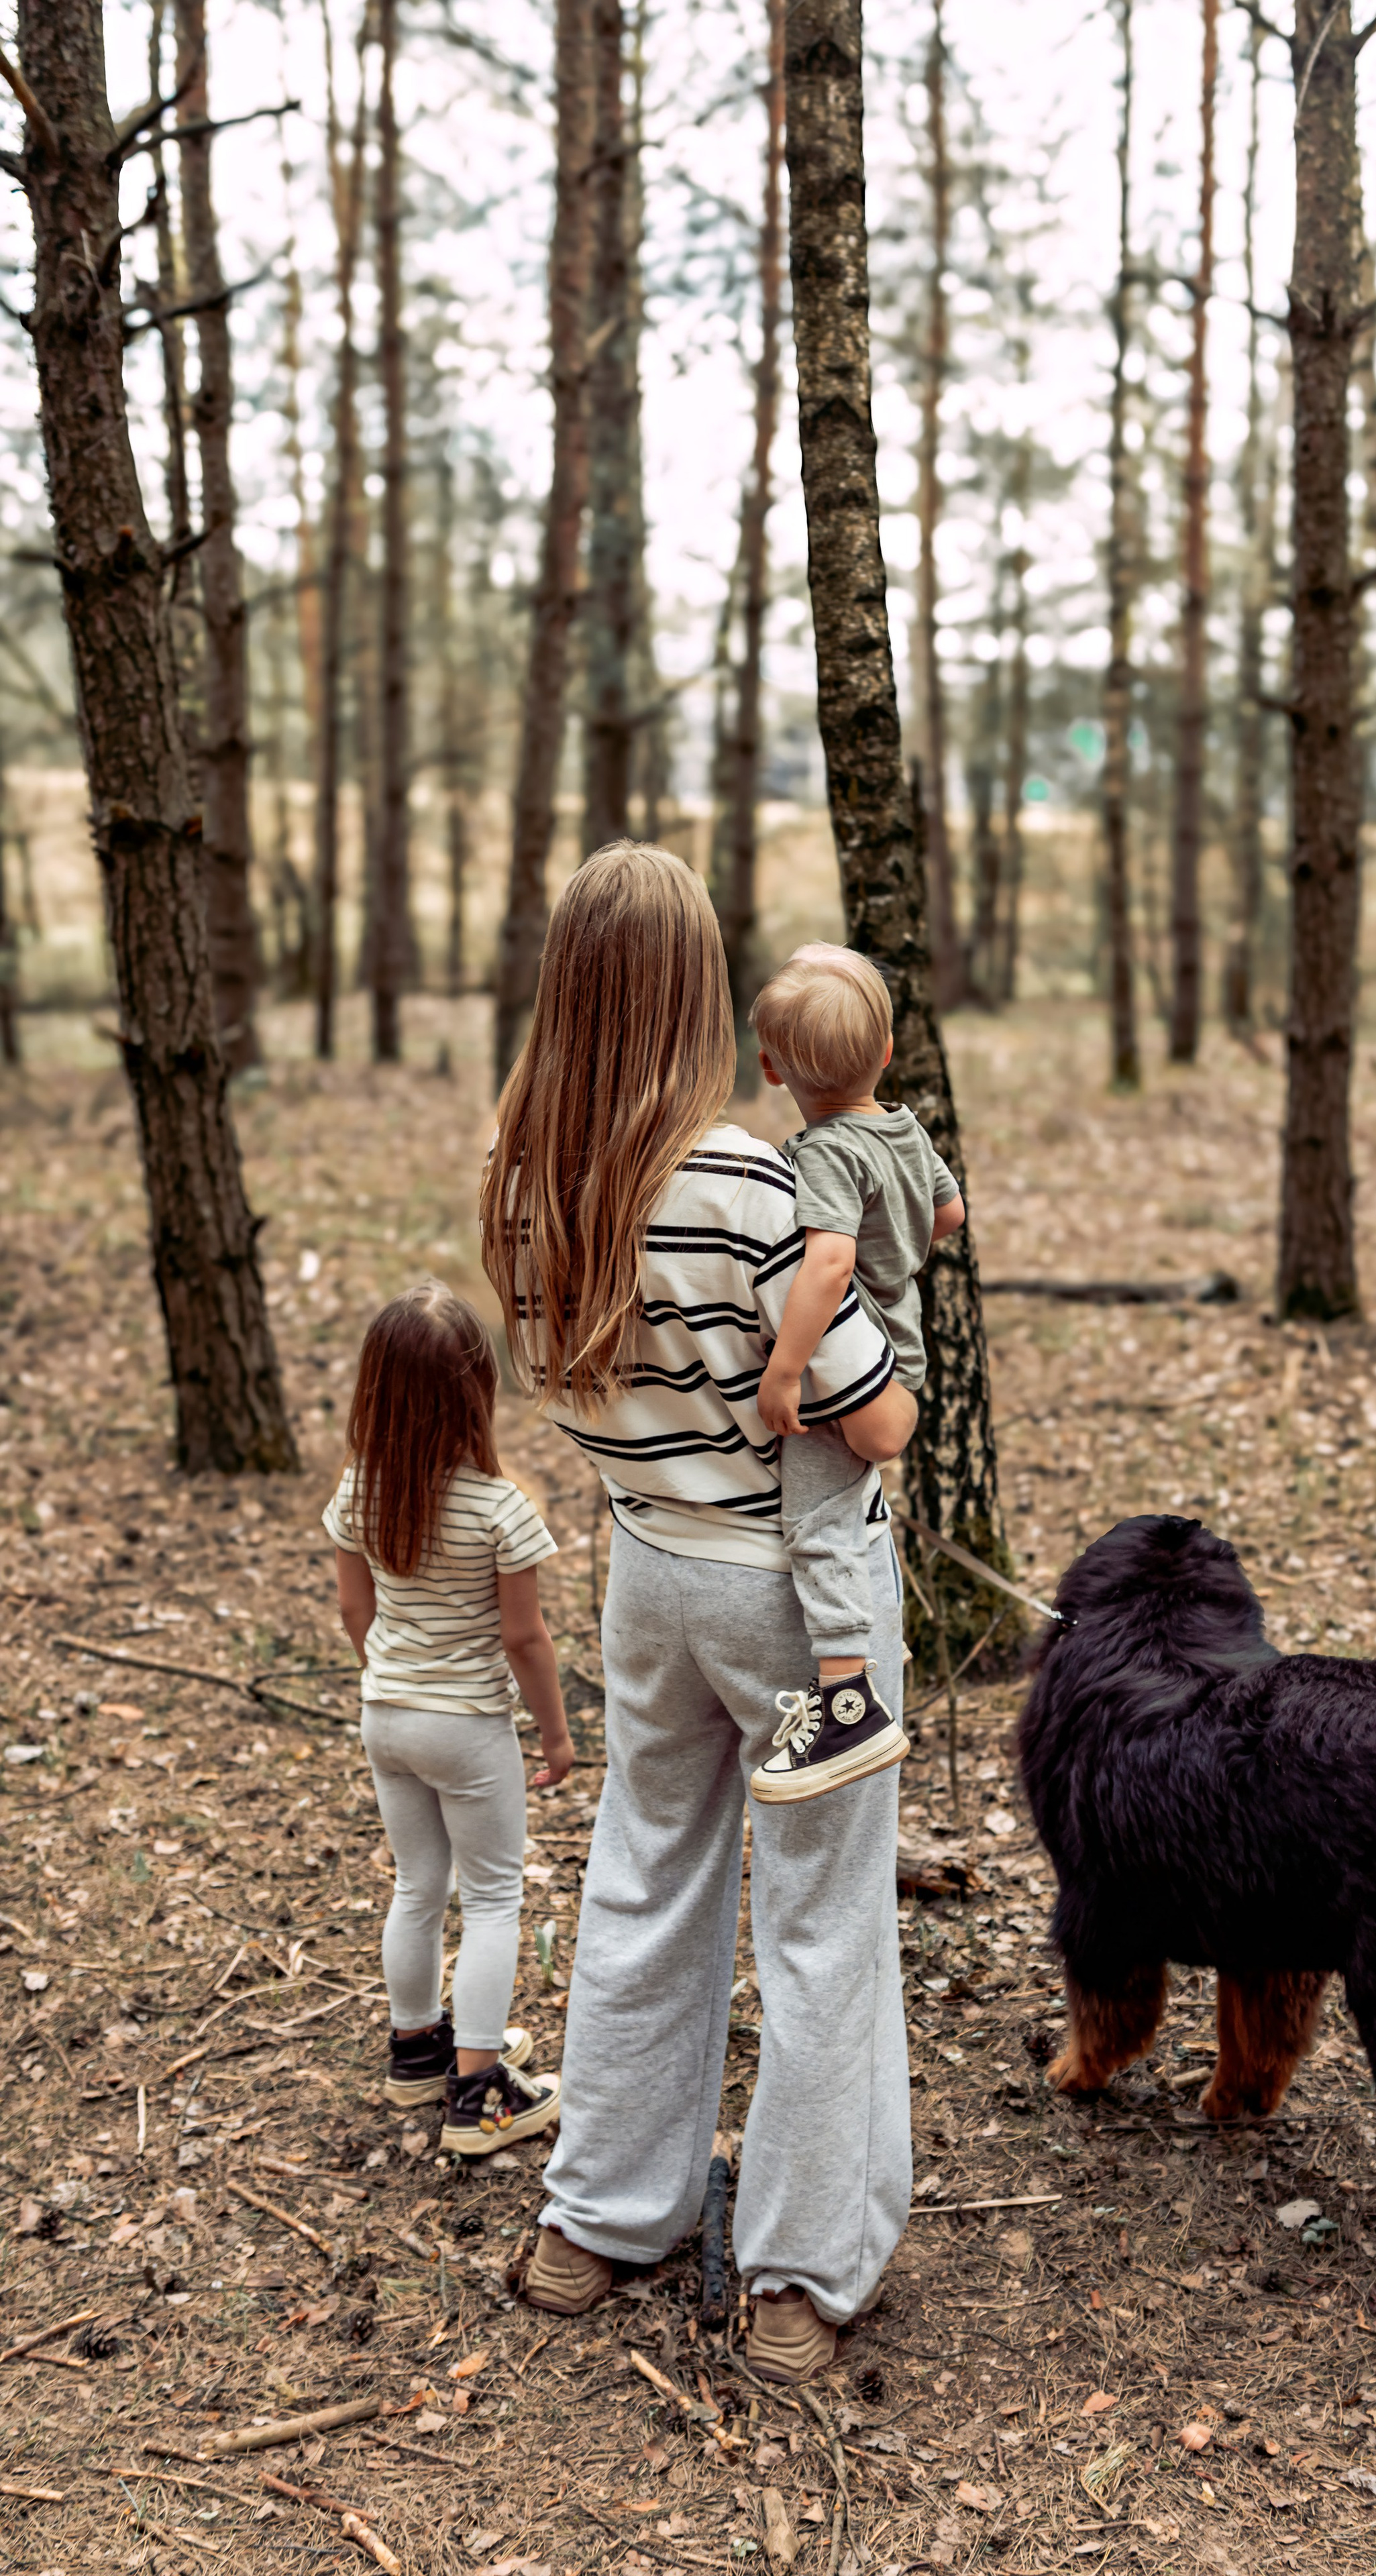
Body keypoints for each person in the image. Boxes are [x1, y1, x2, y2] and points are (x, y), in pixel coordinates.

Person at [479, 842, 919, 2385]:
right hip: (790, 1606)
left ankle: (594, 2219)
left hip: (647, 1587)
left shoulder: (524, 1179)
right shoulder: (744, 1181)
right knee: (819, 1918)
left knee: (645, 1879)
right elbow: (864, 1422)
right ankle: (798, 2272)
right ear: (692, 998)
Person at [325, 1281, 574, 2156]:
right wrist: (555, 1733)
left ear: (373, 1391)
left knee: (419, 1886)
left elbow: (356, 1613)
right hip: (467, 1728)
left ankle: (416, 2049)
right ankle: (478, 2090)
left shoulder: (361, 1493)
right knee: (497, 1895)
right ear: (477, 1390)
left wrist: (388, 1681)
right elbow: (524, 1638)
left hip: (385, 1716)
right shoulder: (498, 1510)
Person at [748, 943, 965, 1802]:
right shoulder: (903, 1128)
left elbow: (829, 1264)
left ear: (769, 1069)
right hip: (902, 1345)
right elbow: (948, 1212)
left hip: (860, 1367)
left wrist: (789, 1369)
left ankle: (846, 1699)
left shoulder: (824, 1153)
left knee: (817, 1515)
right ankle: (869, 1643)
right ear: (884, 1053)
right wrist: (900, 1255)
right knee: (846, 1507)